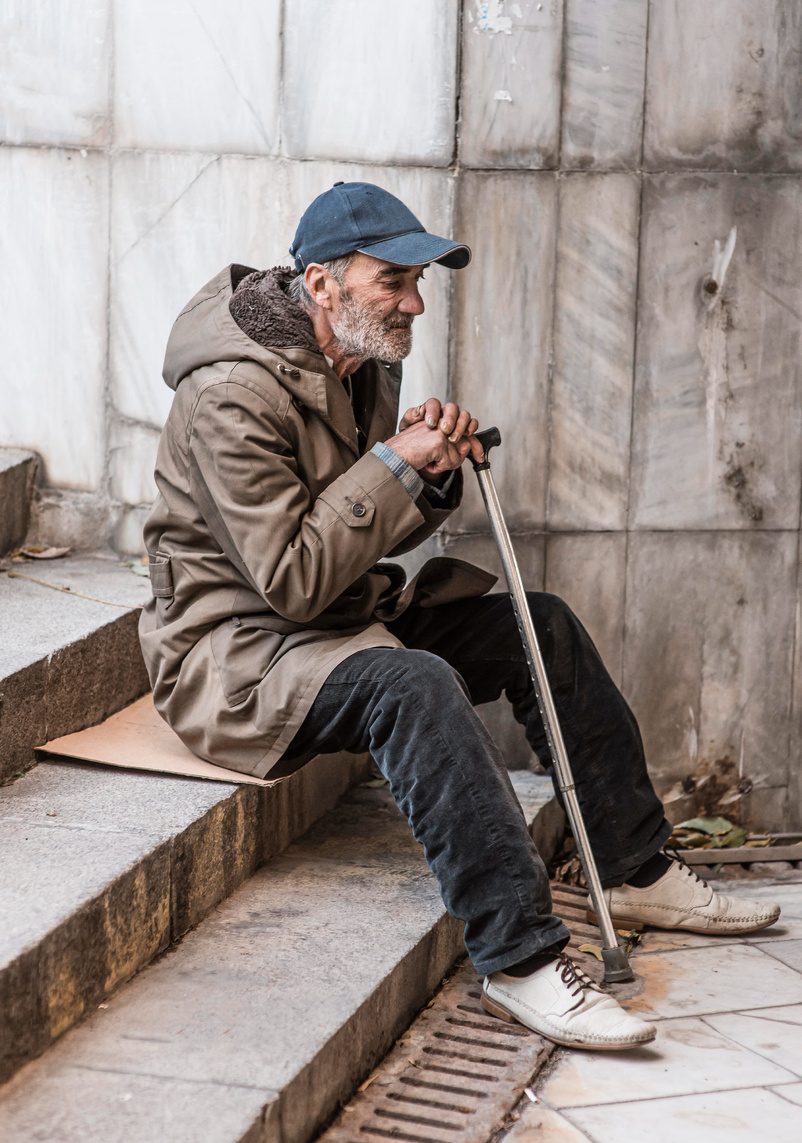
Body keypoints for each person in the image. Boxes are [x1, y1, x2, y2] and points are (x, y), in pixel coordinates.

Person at [139, 182, 780, 1051]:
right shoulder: (228, 394)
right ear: (322, 284)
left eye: (419, 279)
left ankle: (633, 867)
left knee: (537, 624)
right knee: (416, 685)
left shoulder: (365, 359)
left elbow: (353, 535)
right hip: (240, 658)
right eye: (391, 281)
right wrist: (395, 465)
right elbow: (289, 578)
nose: (414, 302)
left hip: (336, 621)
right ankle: (518, 959)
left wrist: (430, 468)